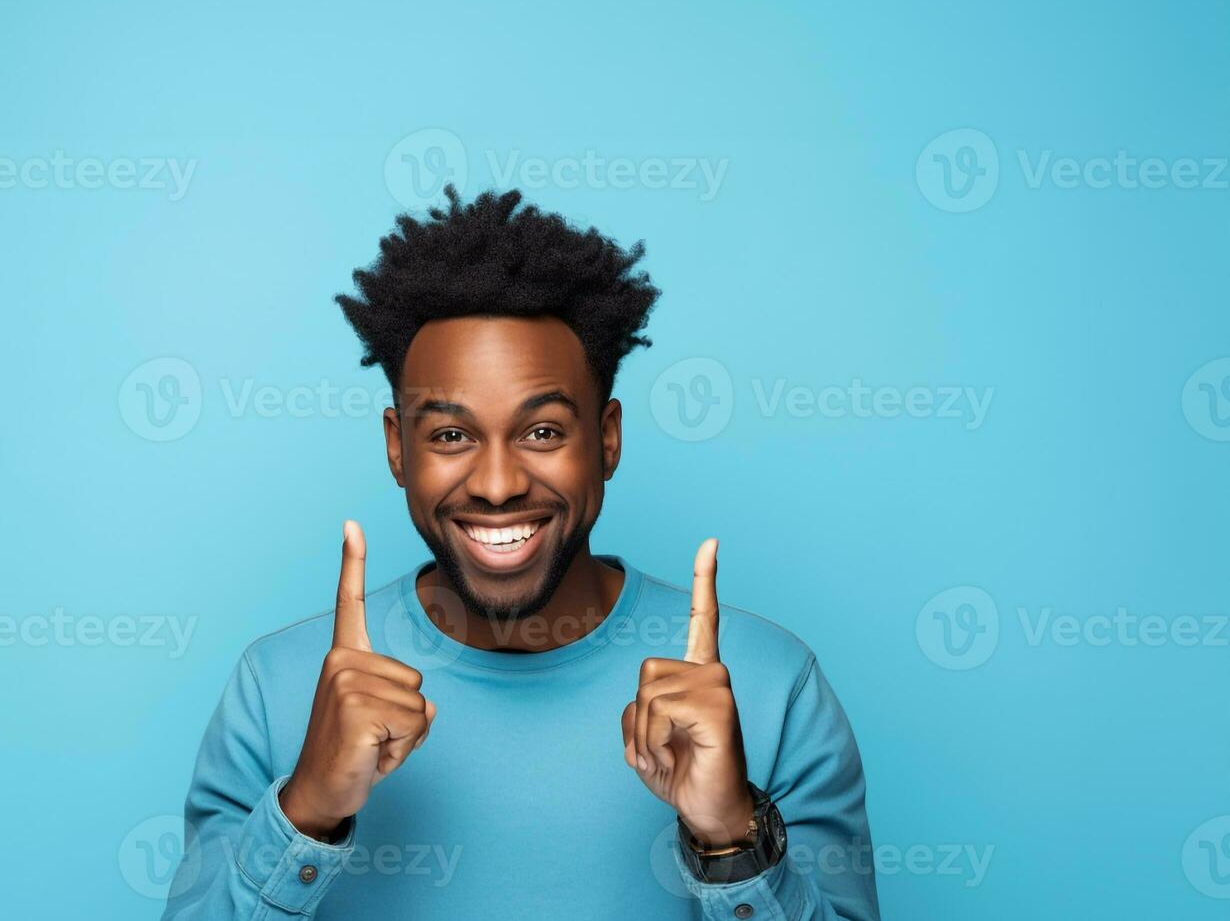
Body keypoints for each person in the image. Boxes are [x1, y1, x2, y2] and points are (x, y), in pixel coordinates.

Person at [160, 186, 879, 920]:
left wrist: (732, 838)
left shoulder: (768, 687)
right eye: (450, 436)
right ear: (396, 448)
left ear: (607, 440)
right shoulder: (276, 690)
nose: (498, 485)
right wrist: (306, 810)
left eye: (542, 433)